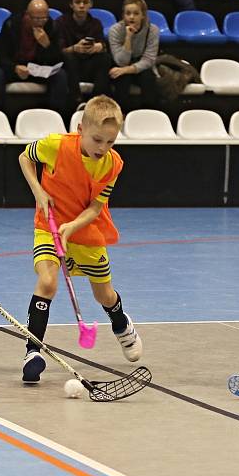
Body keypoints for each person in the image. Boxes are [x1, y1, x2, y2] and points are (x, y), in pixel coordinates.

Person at [17, 95, 142, 383]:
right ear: (80, 128)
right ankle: (32, 351)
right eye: (97, 140)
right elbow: (25, 157)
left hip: (86, 231)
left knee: (104, 294)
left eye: (110, 142)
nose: (103, 148)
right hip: (48, 225)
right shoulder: (56, 145)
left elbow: (96, 208)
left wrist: (72, 226)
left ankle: (121, 324)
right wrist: (38, 191)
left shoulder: (112, 164)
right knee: (47, 281)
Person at [0, 0, 68, 115]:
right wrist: (14, 67)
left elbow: (58, 59)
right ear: (27, 15)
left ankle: (54, 117)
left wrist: (47, 45)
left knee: (60, 75)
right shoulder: (12, 24)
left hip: (38, 69)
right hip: (15, 67)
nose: (40, 22)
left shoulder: (52, 26)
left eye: (44, 18)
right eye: (36, 19)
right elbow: (0, 54)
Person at [55, 0, 110, 108]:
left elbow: (102, 45)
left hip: (88, 65)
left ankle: (96, 101)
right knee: (69, 56)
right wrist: (74, 48)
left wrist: (99, 47)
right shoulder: (61, 22)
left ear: (91, 4)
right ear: (71, 4)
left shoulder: (96, 23)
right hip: (69, 68)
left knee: (105, 58)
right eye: (78, 2)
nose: (81, 5)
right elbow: (58, 51)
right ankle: (77, 100)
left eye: (85, 2)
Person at [108, 0, 159, 110]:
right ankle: (121, 116)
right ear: (123, 15)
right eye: (128, 13)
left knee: (148, 77)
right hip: (121, 64)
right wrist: (128, 37)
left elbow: (149, 60)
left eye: (136, 13)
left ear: (143, 15)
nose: (131, 17)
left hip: (141, 64)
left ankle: (148, 113)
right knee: (121, 78)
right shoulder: (115, 30)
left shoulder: (153, 30)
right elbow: (121, 61)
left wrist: (126, 70)